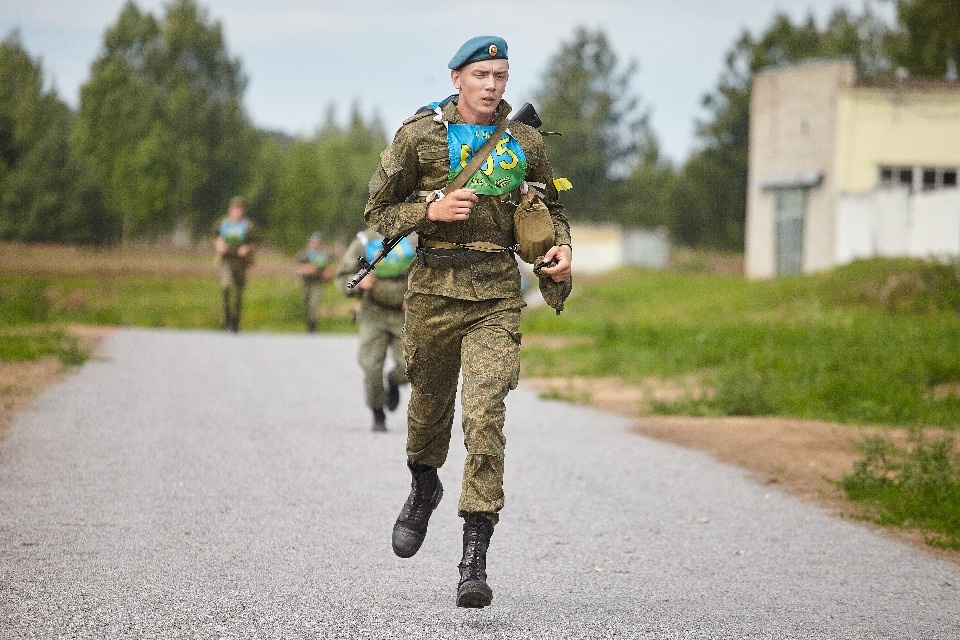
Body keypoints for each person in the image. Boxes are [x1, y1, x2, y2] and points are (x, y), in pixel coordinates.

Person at [364, 35, 573, 609]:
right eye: (482, 75)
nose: (492, 86)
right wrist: (427, 210)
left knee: (485, 417)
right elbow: (377, 212)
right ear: (456, 78)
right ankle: (422, 486)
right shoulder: (420, 136)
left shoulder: (524, 140)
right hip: (432, 291)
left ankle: (473, 561)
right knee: (428, 411)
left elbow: (552, 207)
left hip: (497, 293)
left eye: (501, 76)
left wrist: (563, 248)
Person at [335, 229, 415, 431]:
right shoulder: (364, 241)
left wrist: (416, 296)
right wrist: (358, 283)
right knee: (371, 366)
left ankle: (394, 381)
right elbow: (342, 277)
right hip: (373, 313)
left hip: (404, 313)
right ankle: (377, 412)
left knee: (411, 364)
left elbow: (430, 273)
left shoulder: (414, 239)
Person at [213, 197, 256, 332]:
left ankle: (234, 321)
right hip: (226, 259)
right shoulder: (222, 223)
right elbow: (215, 236)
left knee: (238, 291)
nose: (237, 211)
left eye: (240, 209)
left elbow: (254, 241)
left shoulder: (248, 225)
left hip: (241, 261)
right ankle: (226, 318)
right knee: (225, 287)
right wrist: (219, 245)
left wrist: (247, 248)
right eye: (235, 208)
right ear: (230, 210)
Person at [295, 232, 333, 333]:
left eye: (317, 242)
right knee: (306, 303)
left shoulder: (323, 255)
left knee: (314, 303)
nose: (315, 244)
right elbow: (297, 268)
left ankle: (313, 325)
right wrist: (308, 269)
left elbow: (328, 270)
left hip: (317, 283)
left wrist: (327, 275)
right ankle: (308, 323)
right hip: (306, 283)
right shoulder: (304, 254)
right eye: (314, 242)